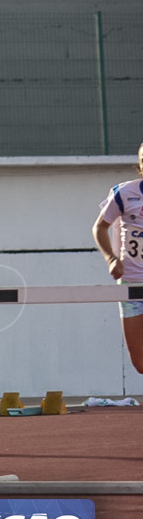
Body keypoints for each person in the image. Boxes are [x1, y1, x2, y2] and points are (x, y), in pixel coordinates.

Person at [92, 142, 143, 374]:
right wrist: (111, 258)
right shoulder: (123, 194)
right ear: (139, 165)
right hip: (131, 284)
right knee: (140, 364)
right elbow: (99, 228)